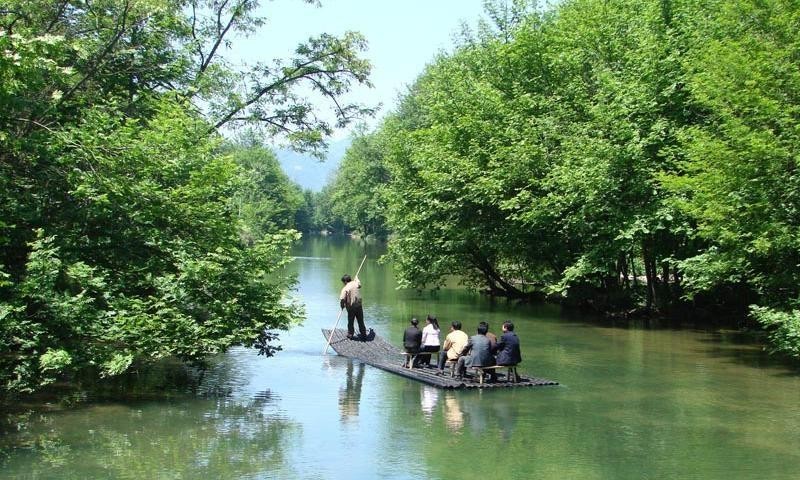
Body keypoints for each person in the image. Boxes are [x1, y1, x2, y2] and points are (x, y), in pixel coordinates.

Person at [340, 273, 366, 340]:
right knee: (360, 320)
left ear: (345, 281)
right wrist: (356, 278)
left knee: (350, 321)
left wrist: (342, 306)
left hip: (351, 307)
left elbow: (342, 299)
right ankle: (363, 334)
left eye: (343, 282)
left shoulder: (345, 288)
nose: (343, 284)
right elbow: (359, 284)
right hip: (359, 305)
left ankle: (350, 334)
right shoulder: (355, 283)